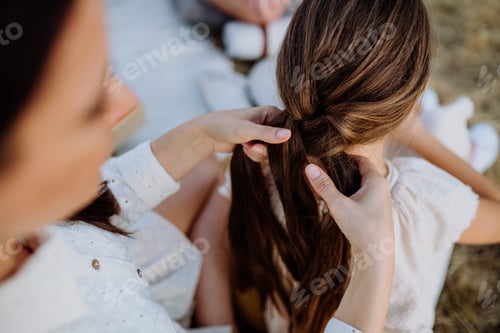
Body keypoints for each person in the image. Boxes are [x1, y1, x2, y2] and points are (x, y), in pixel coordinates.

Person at [0, 0, 394, 332]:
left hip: (122, 265)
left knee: (202, 171)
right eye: (88, 105)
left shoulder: (32, 223)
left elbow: (88, 213)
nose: (126, 104)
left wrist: (200, 135)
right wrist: (375, 259)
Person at [225, 0, 500, 332]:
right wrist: (417, 135)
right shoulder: (425, 198)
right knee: (448, 137)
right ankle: (468, 148)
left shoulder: (263, 158)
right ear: (411, 99)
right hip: (424, 210)